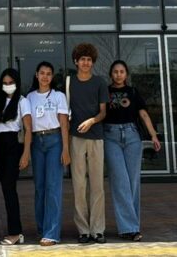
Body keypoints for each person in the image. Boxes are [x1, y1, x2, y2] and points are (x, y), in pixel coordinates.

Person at [103, 60, 161, 242]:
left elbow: (143, 114)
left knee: (133, 182)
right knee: (120, 181)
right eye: (115, 72)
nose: (118, 74)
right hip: (110, 136)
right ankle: (129, 228)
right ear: (111, 74)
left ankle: (132, 226)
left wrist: (153, 135)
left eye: (122, 71)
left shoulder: (133, 92)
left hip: (132, 137)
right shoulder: (105, 92)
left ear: (126, 74)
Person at [68, 42, 108, 244]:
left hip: (96, 137)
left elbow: (103, 112)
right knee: (79, 185)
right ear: (76, 61)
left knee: (97, 185)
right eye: (82, 59)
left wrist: (92, 120)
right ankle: (83, 229)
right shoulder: (69, 83)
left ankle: (98, 229)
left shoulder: (100, 82)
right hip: (75, 138)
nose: (85, 63)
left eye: (89, 60)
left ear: (92, 62)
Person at [27, 61, 70, 247]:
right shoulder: (29, 97)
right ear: (36, 75)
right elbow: (27, 126)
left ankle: (52, 232)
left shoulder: (59, 96)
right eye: (42, 73)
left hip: (54, 141)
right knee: (39, 187)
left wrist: (66, 149)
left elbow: (64, 124)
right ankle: (42, 227)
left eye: (49, 73)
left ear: (52, 77)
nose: (45, 76)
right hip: (37, 142)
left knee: (53, 187)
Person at [0, 68, 32, 245]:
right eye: (5, 83)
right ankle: (15, 231)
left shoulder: (22, 102)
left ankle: (15, 232)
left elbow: (28, 129)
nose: (8, 86)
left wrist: (26, 153)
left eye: (11, 83)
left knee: (10, 189)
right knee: (5, 189)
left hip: (13, 146)